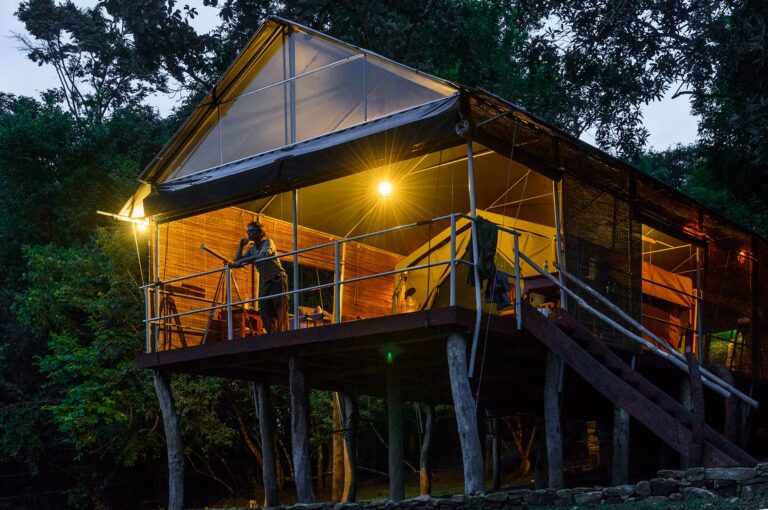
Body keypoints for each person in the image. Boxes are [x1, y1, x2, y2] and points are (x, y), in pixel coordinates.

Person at [234, 221, 289, 333]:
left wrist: (244, 261)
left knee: (280, 308)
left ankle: (284, 334)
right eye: (247, 231)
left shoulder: (268, 242)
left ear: (260, 233)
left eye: (251, 231)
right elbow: (237, 260)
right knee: (264, 309)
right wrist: (240, 246)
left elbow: (263, 255)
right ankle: (272, 334)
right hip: (267, 282)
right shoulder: (251, 249)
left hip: (278, 279)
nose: (248, 234)